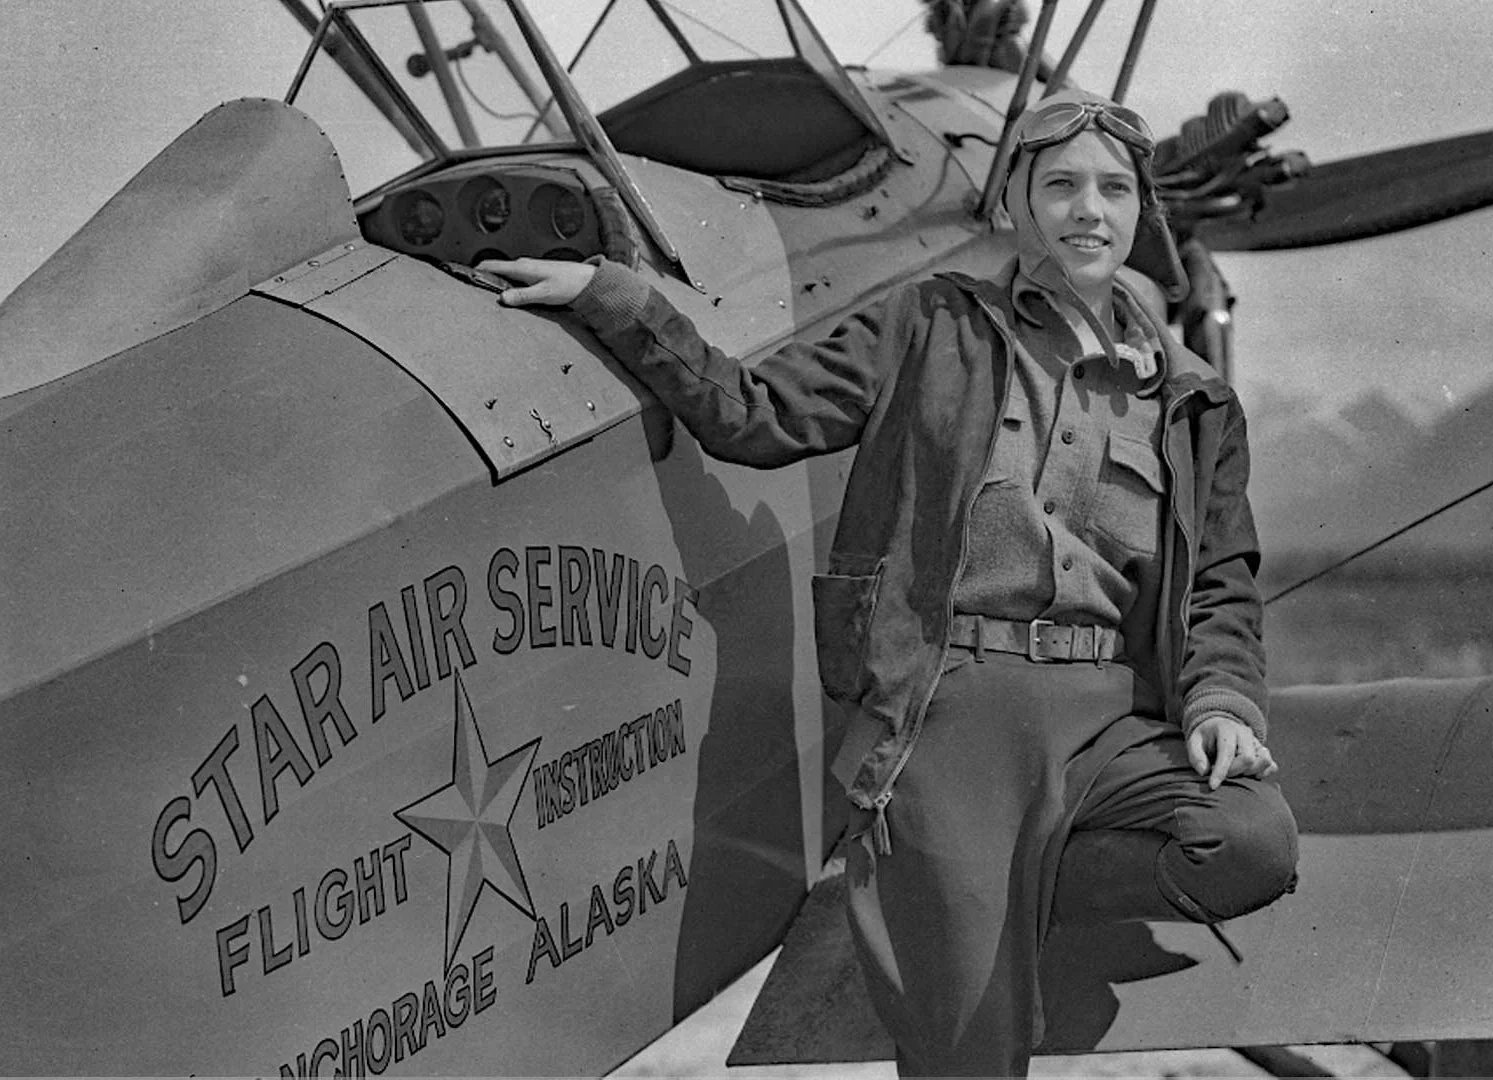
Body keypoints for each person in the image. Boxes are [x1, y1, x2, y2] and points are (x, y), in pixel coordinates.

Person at [481, 88, 1299, 1079]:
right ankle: (946, 879)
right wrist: (617, 298)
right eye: (1063, 186)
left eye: (1115, 189)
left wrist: (1219, 704)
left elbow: (1218, 586)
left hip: (1112, 722)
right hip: (953, 711)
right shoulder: (929, 323)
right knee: (967, 1058)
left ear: (1141, 210)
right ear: (1016, 202)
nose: (1090, 210)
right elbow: (755, 413)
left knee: (1251, 839)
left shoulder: (1196, 401)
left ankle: (987, 878)